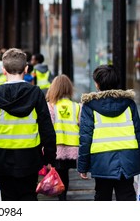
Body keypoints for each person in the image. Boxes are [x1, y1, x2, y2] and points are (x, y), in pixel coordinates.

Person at [0, 48, 57, 201]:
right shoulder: (36, 93)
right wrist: (50, 158)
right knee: (30, 197)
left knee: (8, 200)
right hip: (31, 158)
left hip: (2, 159)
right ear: (26, 69)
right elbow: (47, 128)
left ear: (4, 70)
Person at [77, 65, 140, 201]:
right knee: (127, 197)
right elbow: (138, 132)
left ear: (97, 84)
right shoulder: (129, 104)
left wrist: (83, 165)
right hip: (128, 160)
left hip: (101, 161)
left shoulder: (90, 106)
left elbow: (85, 138)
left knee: (102, 198)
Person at [46, 74, 80, 201]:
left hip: (56, 148)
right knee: (65, 174)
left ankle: (60, 197)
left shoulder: (50, 106)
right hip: (72, 147)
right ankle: (63, 197)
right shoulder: (76, 106)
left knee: (59, 173)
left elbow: (48, 129)